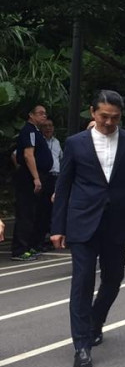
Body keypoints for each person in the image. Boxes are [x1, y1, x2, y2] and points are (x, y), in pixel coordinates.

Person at [51, 90, 125, 367]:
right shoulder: (75, 143)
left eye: (115, 118)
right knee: (81, 281)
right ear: (92, 113)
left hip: (117, 222)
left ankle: (96, 321)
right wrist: (57, 227)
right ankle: (81, 345)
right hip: (82, 221)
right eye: (104, 116)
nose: (109, 122)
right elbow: (64, 186)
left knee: (114, 278)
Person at [11, 104, 53, 261]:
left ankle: (29, 245)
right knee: (26, 212)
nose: (43, 116)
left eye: (45, 113)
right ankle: (20, 249)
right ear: (31, 115)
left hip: (39, 174)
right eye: (40, 113)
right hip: (29, 177)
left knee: (36, 212)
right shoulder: (29, 131)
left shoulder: (36, 132)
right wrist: (36, 177)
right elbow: (29, 155)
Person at [37, 118, 62, 245]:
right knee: (43, 209)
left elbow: (61, 158)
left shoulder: (56, 142)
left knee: (54, 208)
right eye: (45, 126)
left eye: (50, 126)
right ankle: (39, 241)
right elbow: (16, 155)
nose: (48, 128)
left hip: (55, 177)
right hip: (44, 177)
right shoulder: (39, 141)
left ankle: (53, 237)